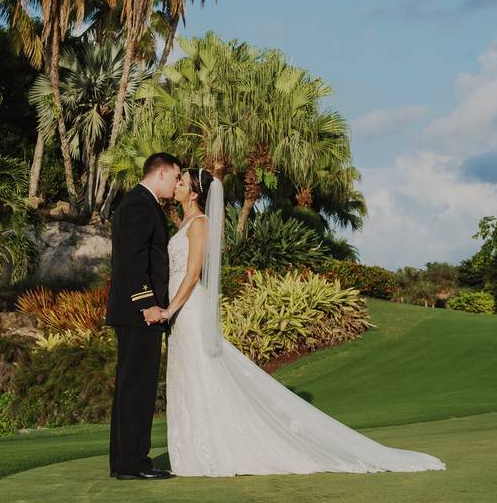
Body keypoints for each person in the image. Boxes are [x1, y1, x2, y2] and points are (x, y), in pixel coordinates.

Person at [162, 167, 446, 476]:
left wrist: (169, 309)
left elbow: (192, 275)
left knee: (202, 372)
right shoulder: (185, 222)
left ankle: (218, 448)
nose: (175, 184)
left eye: (181, 181)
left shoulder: (200, 223)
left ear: (193, 192)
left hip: (188, 308)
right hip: (181, 309)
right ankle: (194, 450)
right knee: (190, 372)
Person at [106, 152, 179, 480]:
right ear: (161, 173)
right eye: (176, 177)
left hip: (135, 313)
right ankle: (133, 463)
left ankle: (123, 462)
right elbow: (132, 261)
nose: (177, 184)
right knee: (137, 388)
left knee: (130, 387)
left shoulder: (138, 203)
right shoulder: (139, 205)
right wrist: (147, 304)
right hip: (140, 314)